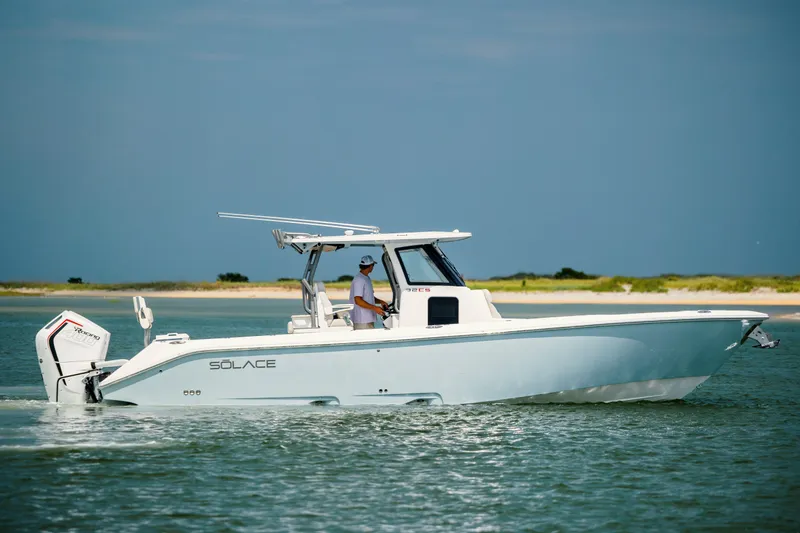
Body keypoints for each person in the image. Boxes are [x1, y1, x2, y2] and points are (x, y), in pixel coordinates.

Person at [349, 255, 389, 330]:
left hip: (368, 319)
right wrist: (375, 308)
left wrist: (381, 301)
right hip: (362, 320)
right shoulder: (359, 280)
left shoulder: (366, 278)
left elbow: (369, 296)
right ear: (370, 266)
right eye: (373, 265)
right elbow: (358, 300)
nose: (373, 267)